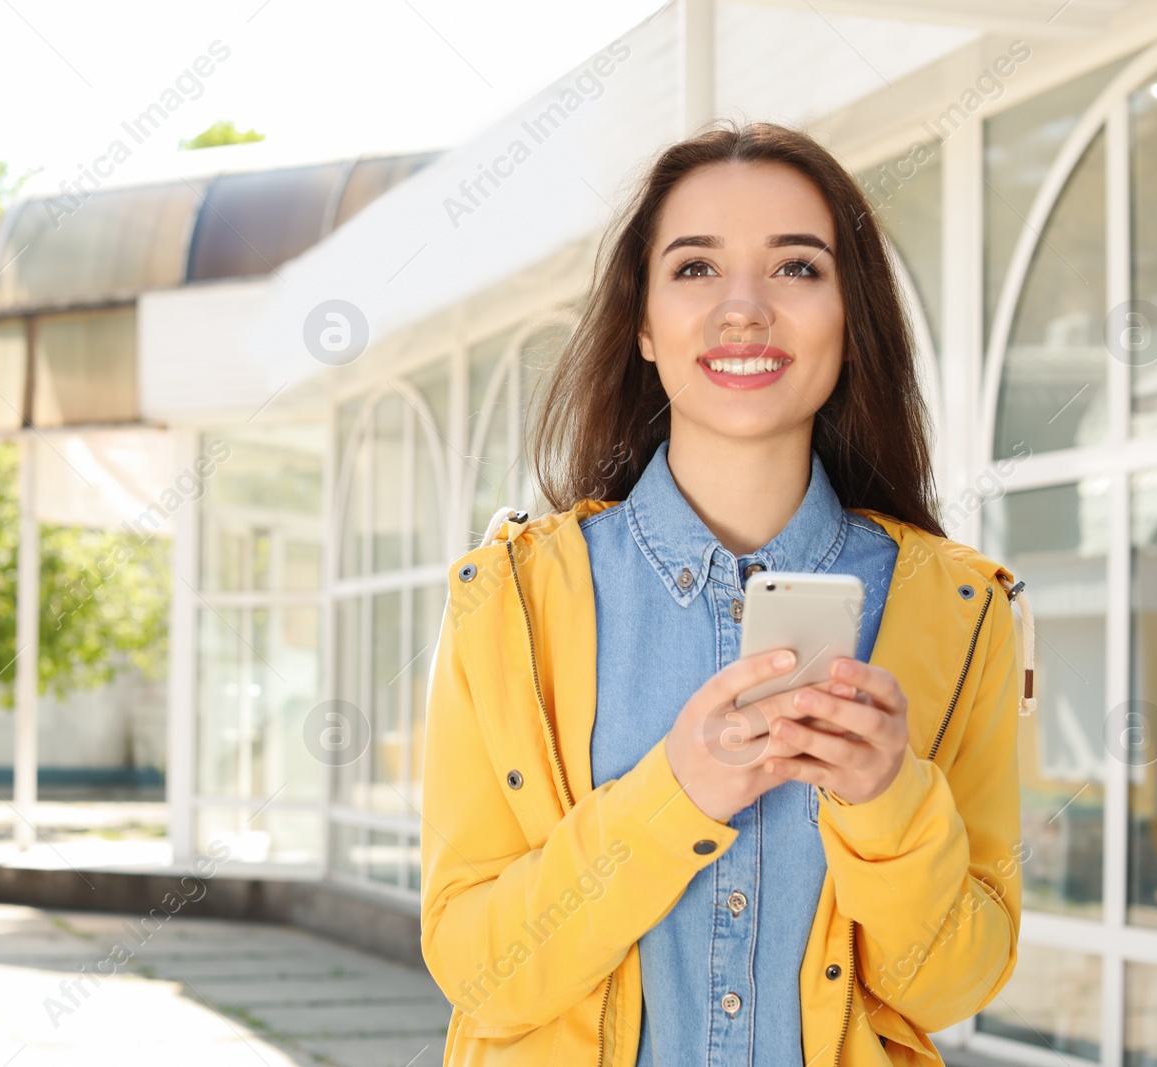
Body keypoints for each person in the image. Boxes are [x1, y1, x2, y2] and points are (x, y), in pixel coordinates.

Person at [419, 120, 1037, 1067]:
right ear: (642, 324)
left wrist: (889, 800)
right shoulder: (510, 603)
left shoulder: (962, 613)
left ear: (849, 316)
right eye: (696, 269)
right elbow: (481, 971)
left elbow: (951, 985)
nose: (743, 309)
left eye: (796, 268)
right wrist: (676, 796)